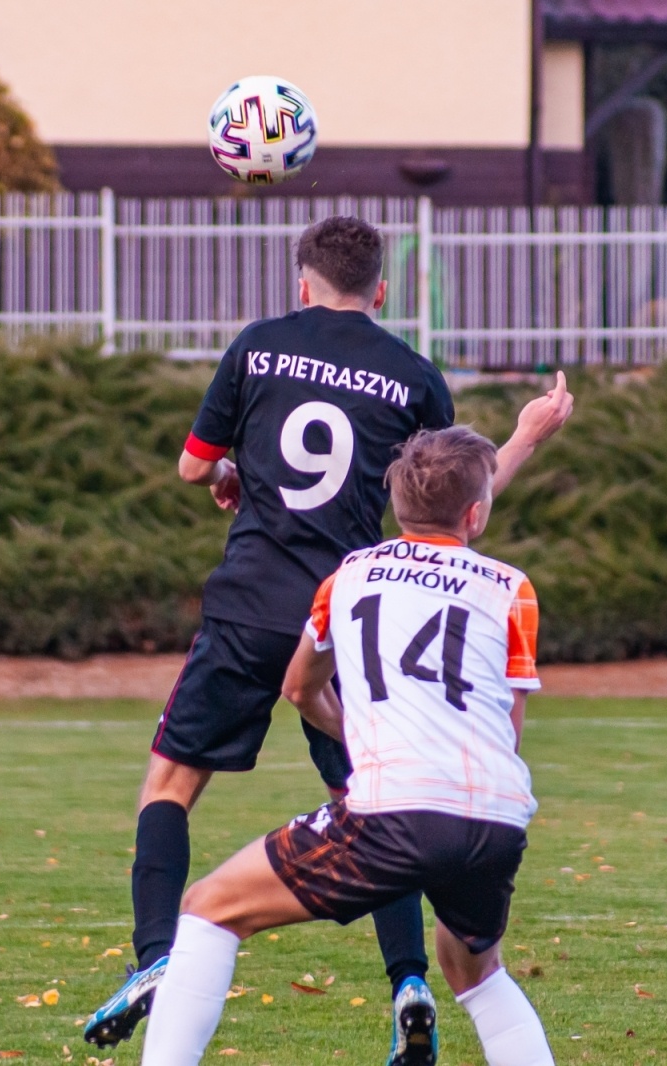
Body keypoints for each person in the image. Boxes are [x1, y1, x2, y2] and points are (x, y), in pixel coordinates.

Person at [84, 216, 572, 1062]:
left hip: (263, 607)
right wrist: (526, 436)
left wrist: (234, 473)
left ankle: (159, 955)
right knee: (375, 792)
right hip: (357, 625)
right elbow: (447, 501)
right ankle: (410, 981)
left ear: (301, 282)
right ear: (381, 291)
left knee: (169, 787)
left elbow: (193, 467)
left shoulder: (259, 345)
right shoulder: (413, 377)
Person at [138, 425, 555, 1066]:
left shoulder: (351, 575)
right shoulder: (511, 587)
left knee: (207, 909)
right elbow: (509, 727)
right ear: (475, 515)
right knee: (476, 972)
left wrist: (359, 735)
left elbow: (299, 688)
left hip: (391, 811)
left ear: (395, 507)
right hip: (495, 815)